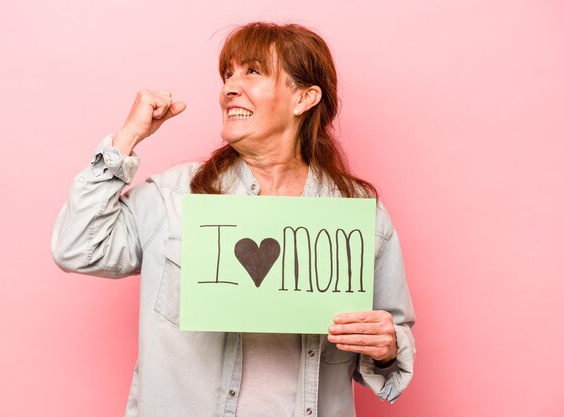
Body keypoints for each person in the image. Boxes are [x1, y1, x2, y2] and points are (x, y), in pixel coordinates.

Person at [52, 21, 415, 417]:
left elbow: (392, 350)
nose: (229, 88)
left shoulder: (357, 216)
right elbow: (76, 248)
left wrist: (386, 346)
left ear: (304, 98)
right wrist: (127, 137)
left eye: (253, 71)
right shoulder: (174, 197)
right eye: (228, 74)